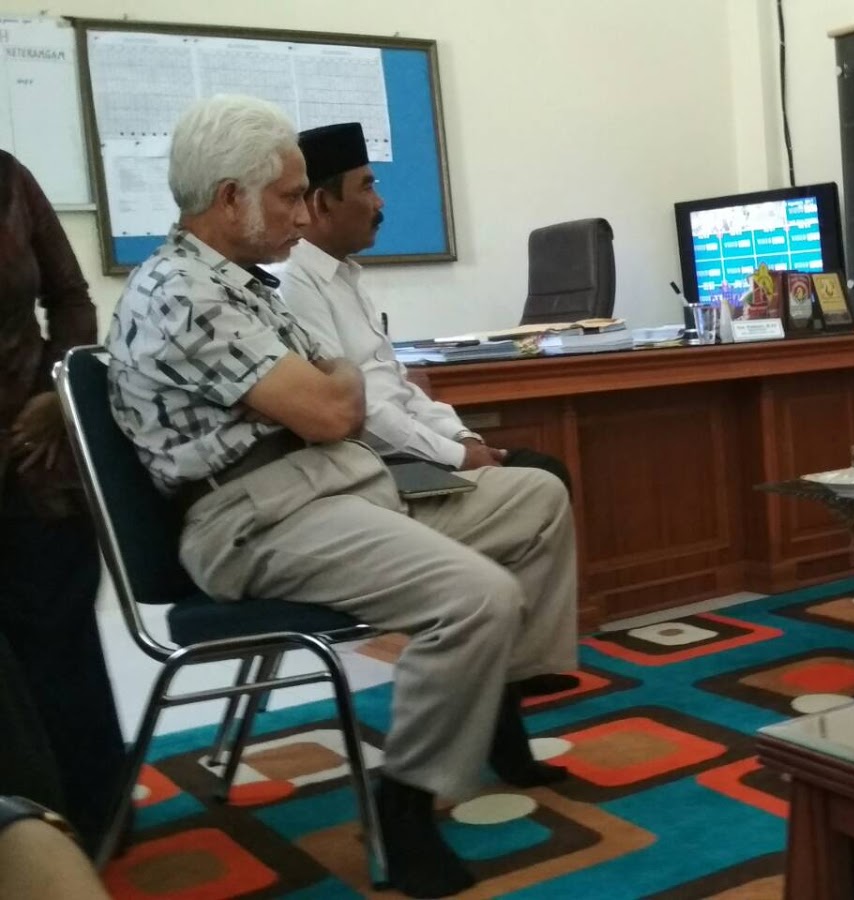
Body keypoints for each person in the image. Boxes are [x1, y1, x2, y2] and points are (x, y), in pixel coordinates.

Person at [104, 95, 577, 899]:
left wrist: (333, 386)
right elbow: (333, 407)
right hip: (255, 516)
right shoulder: (183, 293)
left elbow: (338, 392)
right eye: (289, 197)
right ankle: (405, 801)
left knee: (534, 498)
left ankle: (491, 704)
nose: (302, 213)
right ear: (231, 198)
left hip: (331, 484)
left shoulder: (241, 285)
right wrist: (333, 385)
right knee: (477, 597)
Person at [278, 123, 570, 488]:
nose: (379, 203)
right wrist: (458, 456)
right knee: (541, 481)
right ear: (322, 204)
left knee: (543, 469)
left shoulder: (344, 276)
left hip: (409, 448)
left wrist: (463, 438)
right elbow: (358, 412)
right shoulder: (294, 282)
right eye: (367, 187)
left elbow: (398, 388)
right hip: (374, 465)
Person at [0, 149, 124, 848]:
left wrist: (58, 391)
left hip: (35, 456)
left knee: (61, 647)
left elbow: (72, 298)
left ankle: (97, 821)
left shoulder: (11, 178)